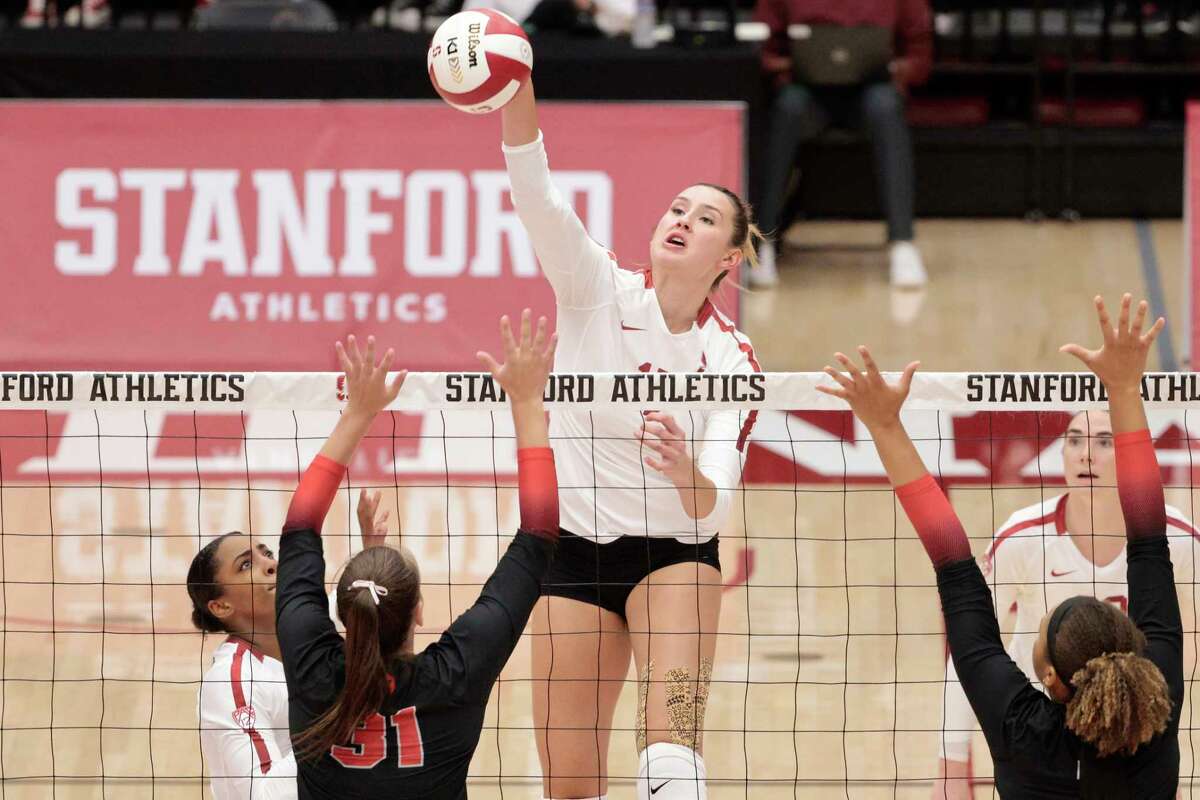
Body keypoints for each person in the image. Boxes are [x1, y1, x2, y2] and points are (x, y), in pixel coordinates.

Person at [499, 79, 762, 800]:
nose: (682, 219)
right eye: (678, 207)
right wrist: (515, 85)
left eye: (705, 218)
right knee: (569, 787)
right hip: (572, 558)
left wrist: (683, 470)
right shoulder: (595, 290)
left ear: (729, 258)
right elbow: (535, 193)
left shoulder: (732, 362)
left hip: (675, 559)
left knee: (671, 757)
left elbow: (709, 510)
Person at [820, 294, 1181, 798]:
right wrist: (1124, 387)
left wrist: (882, 426)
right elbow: (1149, 534)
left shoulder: (1020, 729)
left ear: (1051, 679)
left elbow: (957, 580)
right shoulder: (1155, 715)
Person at [275, 318, 561, 799]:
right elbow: (539, 536)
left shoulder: (311, 668)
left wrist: (356, 415)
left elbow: (299, 526)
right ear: (420, 612)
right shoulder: (453, 677)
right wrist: (529, 402)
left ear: (343, 613)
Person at [932, 409, 1198, 798]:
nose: (1085, 455)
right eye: (1074, 440)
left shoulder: (1180, 539)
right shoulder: (1023, 537)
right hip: (1035, 726)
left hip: (1128, 729)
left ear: (1136, 454)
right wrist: (951, 760)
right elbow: (971, 651)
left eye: (1105, 442)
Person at [189, 485, 390, 799]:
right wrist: (338, 721)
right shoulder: (231, 682)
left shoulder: (303, 628)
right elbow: (261, 795)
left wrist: (370, 554)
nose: (271, 564)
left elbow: (346, 603)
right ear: (221, 606)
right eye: (245, 565)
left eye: (267, 553)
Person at [752, 0, 932, 288]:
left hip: (872, 93)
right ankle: (763, 244)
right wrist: (793, 64)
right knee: (787, 108)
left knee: (886, 107)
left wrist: (893, 68)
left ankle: (903, 243)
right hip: (806, 93)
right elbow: (760, 46)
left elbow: (920, 56)